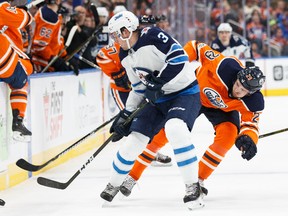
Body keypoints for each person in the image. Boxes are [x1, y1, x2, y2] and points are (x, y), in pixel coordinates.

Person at [100, 11, 204, 210]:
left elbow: (179, 58)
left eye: (115, 35)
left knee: (175, 129)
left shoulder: (153, 35)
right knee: (134, 139)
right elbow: (138, 87)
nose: (114, 40)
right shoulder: (124, 54)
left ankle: (193, 187)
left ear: (126, 30)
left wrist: (159, 81)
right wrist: (126, 114)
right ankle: (113, 184)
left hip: (184, 92)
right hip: (158, 98)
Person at [183, 40, 265, 196]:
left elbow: (251, 124)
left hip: (223, 108)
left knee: (229, 135)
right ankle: (133, 171)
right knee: (174, 127)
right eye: (238, 85)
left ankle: (197, 180)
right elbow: (196, 47)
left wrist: (248, 139)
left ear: (251, 94)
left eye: (244, 91)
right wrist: (176, 63)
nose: (238, 90)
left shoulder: (253, 102)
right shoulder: (224, 66)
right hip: (196, 93)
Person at [0, 0, 34, 142]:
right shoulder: (2, 7)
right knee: (22, 78)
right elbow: (25, 19)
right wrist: (23, 10)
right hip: (3, 62)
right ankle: (18, 122)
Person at [31, 0, 77, 73]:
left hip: (48, 64)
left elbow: (56, 43)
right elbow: (40, 46)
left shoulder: (50, 14)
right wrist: (54, 60)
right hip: (41, 65)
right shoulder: (49, 16)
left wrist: (65, 57)